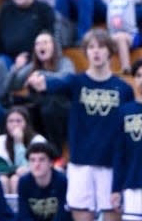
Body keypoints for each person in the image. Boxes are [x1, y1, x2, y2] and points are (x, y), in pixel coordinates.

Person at [28, 28, 134, 221]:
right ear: (85, 52)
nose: (96, 51)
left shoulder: (124, 89)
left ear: (110, 51)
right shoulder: (76, 82)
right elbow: (51, 84)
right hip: (80, 163)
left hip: (110, 166)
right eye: (91, 47)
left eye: (101, 47)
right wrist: (39, 83)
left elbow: (127, 131)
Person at [112, 59, 142, 219]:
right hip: (133, 184)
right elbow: (119, 153)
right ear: (134, 80)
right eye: (138, 75)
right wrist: (116, 189)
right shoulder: (124, 112)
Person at [17, 141, 71, 221]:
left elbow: (62, 214)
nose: (36, 164)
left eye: (41, 160)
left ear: (51, 163)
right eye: (32, 160)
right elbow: (23, 214)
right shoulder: (24, 182)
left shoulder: (62, 181)